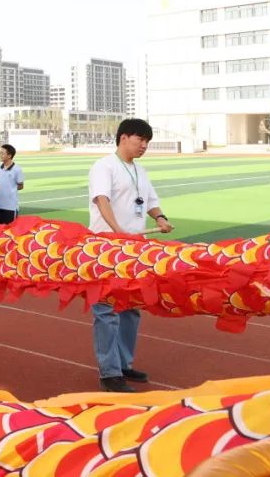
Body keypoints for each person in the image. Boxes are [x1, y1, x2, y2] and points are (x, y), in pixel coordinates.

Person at [89, 119, 173, 393]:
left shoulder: (140, 170)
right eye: (140, 140)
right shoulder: (104, 166)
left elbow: (150, 202)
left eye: (147, 141)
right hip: (107, 248)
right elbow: (102, 200)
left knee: (130, 309)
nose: (144, 146)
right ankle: (110, 373)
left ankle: (124, 363)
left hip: (135, 250)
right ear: (124, 138)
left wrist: (160, 218)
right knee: (106, 311)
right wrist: (117, 231)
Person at [0, 144, 24, 224]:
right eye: (0, 153)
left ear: (9, 155)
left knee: (10, 229)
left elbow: (21, 186)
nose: (0, 155)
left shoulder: (17, 169)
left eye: (2, 153)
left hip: (10, 207)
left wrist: (10, 190)